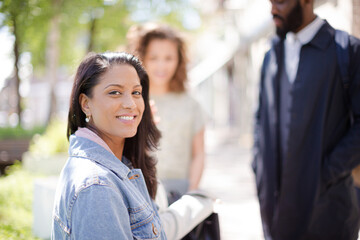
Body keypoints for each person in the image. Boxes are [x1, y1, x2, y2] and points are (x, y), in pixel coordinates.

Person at [51, 51, 214, 240]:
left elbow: (155, 230)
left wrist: (198, 202)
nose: (130, 104)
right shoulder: (97, 186)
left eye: (136, 92)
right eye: (115, 93)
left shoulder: (122, 166)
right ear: (86, 104)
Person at [252, 0, 360, 239]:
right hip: (276, 216)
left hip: (329, 212)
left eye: (280, 2)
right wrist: (259, 169)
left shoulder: (347, 50)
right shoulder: (272, 54)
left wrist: (325, 173)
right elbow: (260, 118)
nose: (272, 10)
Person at [127, 23, 207, 199]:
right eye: (154, 57)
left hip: (181, 193)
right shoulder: (131, 101)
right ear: (142, 58)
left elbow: (199, 153)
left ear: (179, 60)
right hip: (138, 192)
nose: (161, 65)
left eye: (169, 58)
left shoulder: (191, 104)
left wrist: (191, 193)